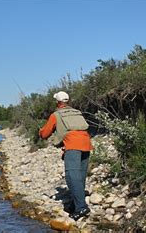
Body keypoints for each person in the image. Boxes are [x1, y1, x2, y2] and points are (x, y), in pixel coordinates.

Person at [39, 91, 92, 221]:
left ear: (58, 102)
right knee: (80, 176)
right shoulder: (77, 112)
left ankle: (81, 208)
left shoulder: (56, 115)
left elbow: (45, 134)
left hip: (73, 146)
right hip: (86, 144)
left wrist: (40, 132)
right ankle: (75, 204)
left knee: (71, 176)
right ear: (68, 101)